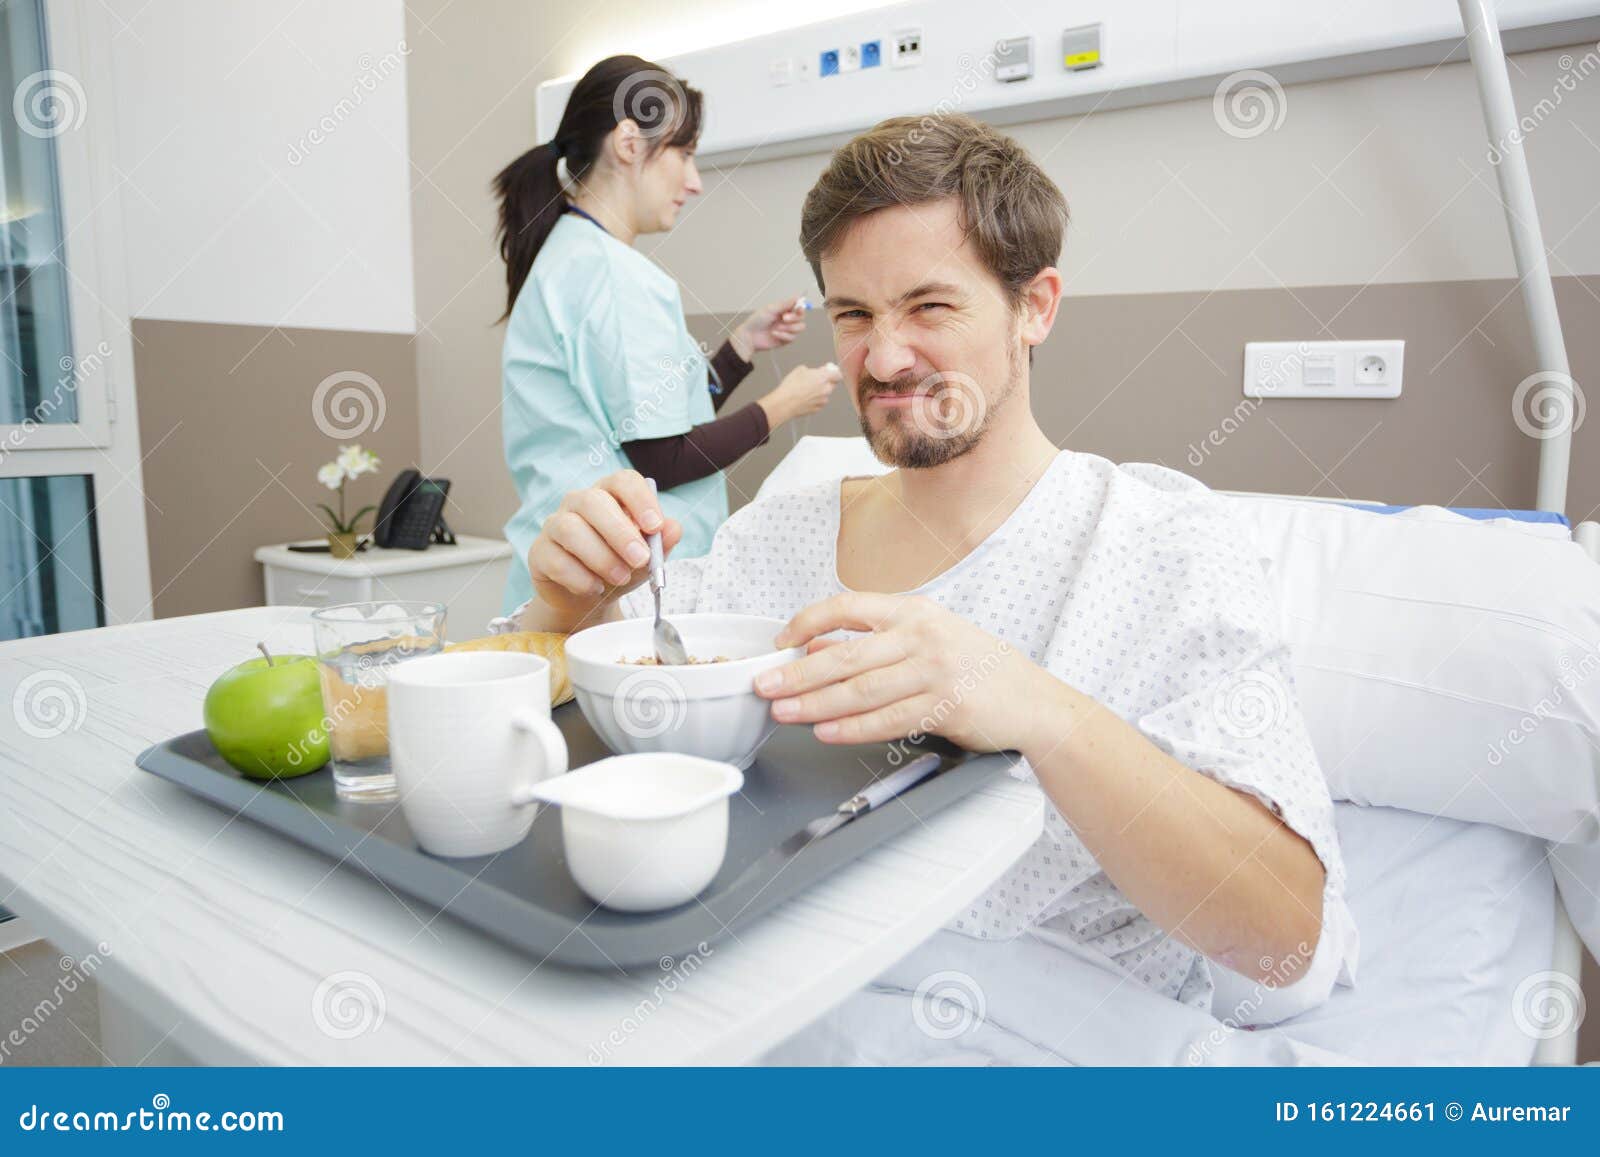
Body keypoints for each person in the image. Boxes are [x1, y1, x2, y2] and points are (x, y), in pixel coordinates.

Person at [492, 113, 1357, 1064]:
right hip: (776, 1018)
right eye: (854, 314)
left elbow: (1285, 946)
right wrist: (566, 607)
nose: (886, 356)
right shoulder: (775, 541)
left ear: (1036, 305)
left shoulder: (1160, 548)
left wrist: (1035, 706)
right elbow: (602, 735)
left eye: (930, 306)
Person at [492, 54, 841, 616]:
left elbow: (656, 418)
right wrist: (782, 406)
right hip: (603, 585)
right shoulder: (611, 274)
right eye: (685, 154)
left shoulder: (573, 257)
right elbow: (662, 458)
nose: (695, 181)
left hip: (583, 575)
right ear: (629, 144)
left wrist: (741, 348)